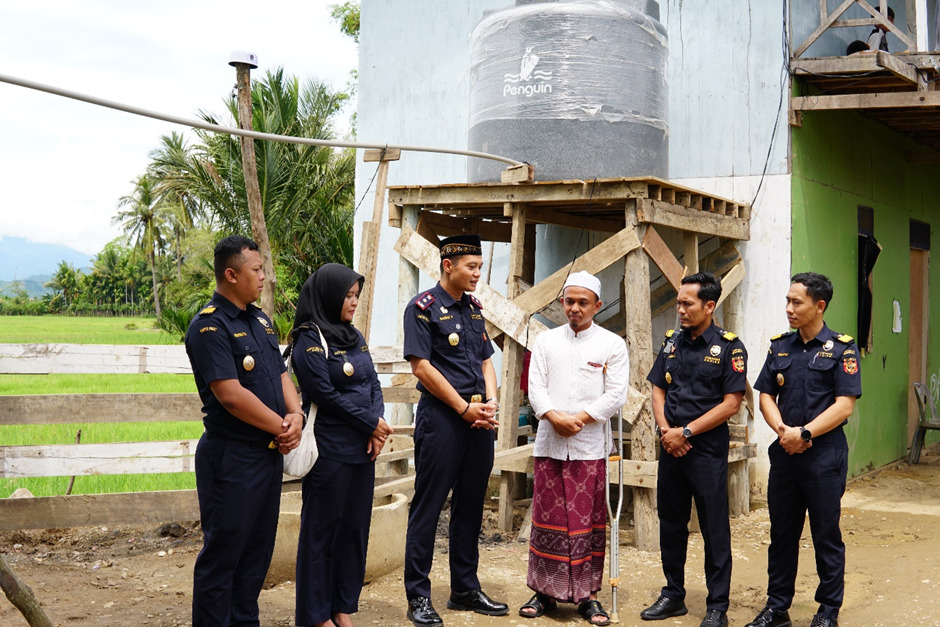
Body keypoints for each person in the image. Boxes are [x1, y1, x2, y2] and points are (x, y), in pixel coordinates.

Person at [184, 235, 303, 626]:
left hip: (267, 454)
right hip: (231, 458)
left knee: (256, 555)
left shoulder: (260, 320)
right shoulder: (208, 327)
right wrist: (282, 426)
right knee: (224, 556)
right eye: (257, 270)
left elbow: (281, 373)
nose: (264, 277)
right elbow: (230, 395)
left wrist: (296, 414)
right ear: (231, 275)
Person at [402, 234, 508, 626]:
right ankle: (419, 596)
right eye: (471, 267)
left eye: (480, 267)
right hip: (444, 419)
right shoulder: (422, 308)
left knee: (471, 505)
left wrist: (490, 402)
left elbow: (486, 362)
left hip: (478, 419)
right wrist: (464, 408)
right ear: (448, 265)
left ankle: (464, 588)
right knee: (429, 506)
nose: (478, 274)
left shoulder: (474, 309)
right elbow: (422, 367)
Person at [745, 273, 862, 627]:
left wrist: (805, 433)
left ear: (819, 306)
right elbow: (765, 393)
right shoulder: (781, 346)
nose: (789, 309)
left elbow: (844, 405)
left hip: (824, 455)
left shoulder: (842, 348)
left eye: (797, 302)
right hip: (785, 454)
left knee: (826, 533)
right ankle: (777, 607)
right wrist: (782, 429)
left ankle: (828, 611)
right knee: (782, 533)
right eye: (787, 301)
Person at [518, 271, 628, 626]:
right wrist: (552, 416)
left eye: (583, 302)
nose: (575, 309)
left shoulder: (612, 344)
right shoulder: (546, 342)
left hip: (589, 446)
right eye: (569, 301)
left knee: (587, 523)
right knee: (547, 520)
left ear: (597, 305)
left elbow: (616, 394)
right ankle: (545, 592)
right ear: (561, 302)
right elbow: (536, 388)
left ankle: (588, 596)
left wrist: (578, 418)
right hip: (550, 443)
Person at [289, 263, 393, 627]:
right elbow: (324, 393)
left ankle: (342, 608)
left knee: (353, 533)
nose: (353, 303)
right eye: (348, 296)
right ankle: (315, 616)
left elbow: (373, 383)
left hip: (362, 452)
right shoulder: (308, 338)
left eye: (356, 296)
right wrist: (371, 424)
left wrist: (376, 426)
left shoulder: (354, 335)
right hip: (329, 452)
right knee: (321, 534)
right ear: (330, 296)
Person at [642, 272, 747, 627]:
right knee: (670, 523)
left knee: (713, 526)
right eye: (678, 303)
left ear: (709, 306)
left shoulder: (729, 347)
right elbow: (657, 387)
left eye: (687, 304)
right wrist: (666, 431)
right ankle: (673, 594)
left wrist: (686, 431)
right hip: (671, 448)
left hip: (704, 451)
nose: (680, 310)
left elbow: (732, 403)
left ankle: (717, 605)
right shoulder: (672, 342)